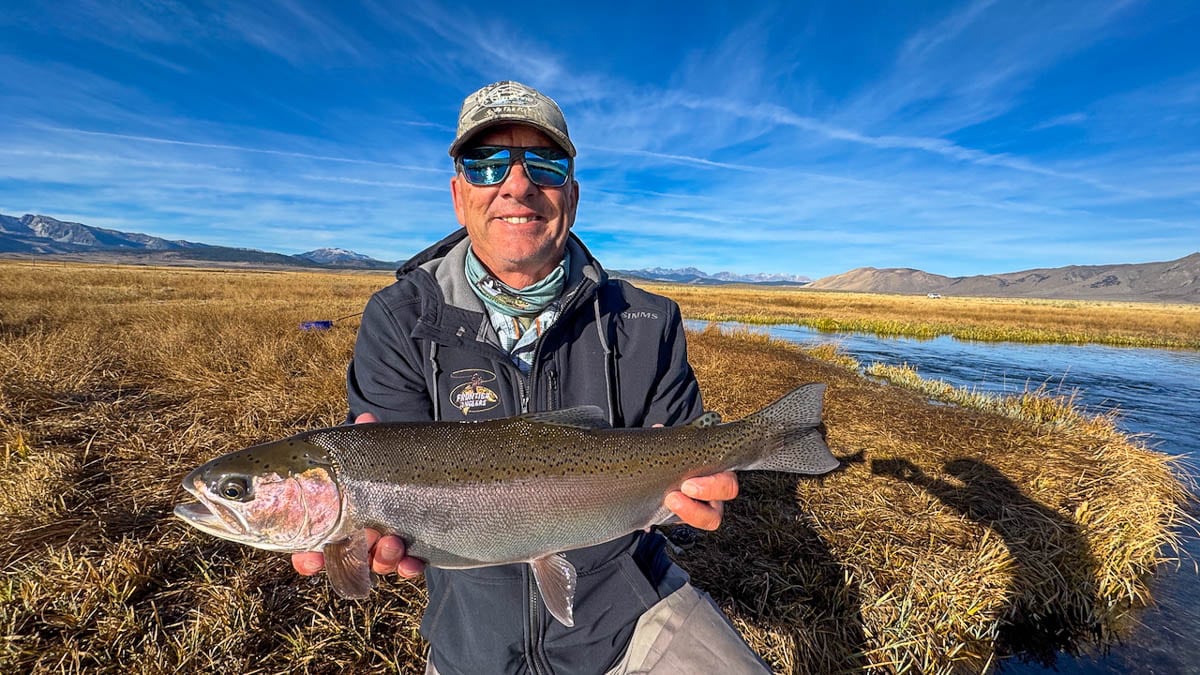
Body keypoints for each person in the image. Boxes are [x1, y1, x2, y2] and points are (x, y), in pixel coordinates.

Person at [292, 80, 771, 675]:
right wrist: (362, 536)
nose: (516, 184)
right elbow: (385, 478)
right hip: (471, 640)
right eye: (486, 164)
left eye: (543, 163)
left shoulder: (649, 320)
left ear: (571, 192)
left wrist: (694, 502)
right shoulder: (397, 318)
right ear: (458, 193)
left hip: (632, 613)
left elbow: (684, 459)